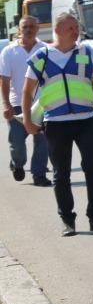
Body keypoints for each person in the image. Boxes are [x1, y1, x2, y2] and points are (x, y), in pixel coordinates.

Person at [22, 11, 93, 236]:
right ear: (57, 31)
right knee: (61, 173)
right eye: (70, 29)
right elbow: (27, 92)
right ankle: (68, 220)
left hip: (86, 120)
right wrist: (27, 120)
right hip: (56, 123)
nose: (75, 32)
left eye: (77, 28)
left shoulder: (86, 52)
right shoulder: (42, 56)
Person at [1, 16, 50, 186]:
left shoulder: (45, 49)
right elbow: (4, 80)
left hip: (41, 104)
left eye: (32, 26)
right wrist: (6, 104)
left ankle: (39, 174)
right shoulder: (9, 51)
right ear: (19, 29)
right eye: (25, 27)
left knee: (42, 141)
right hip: (17, 104)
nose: (28, 29)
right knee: (17, 142)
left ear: (37, 29)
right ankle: (17, 163)